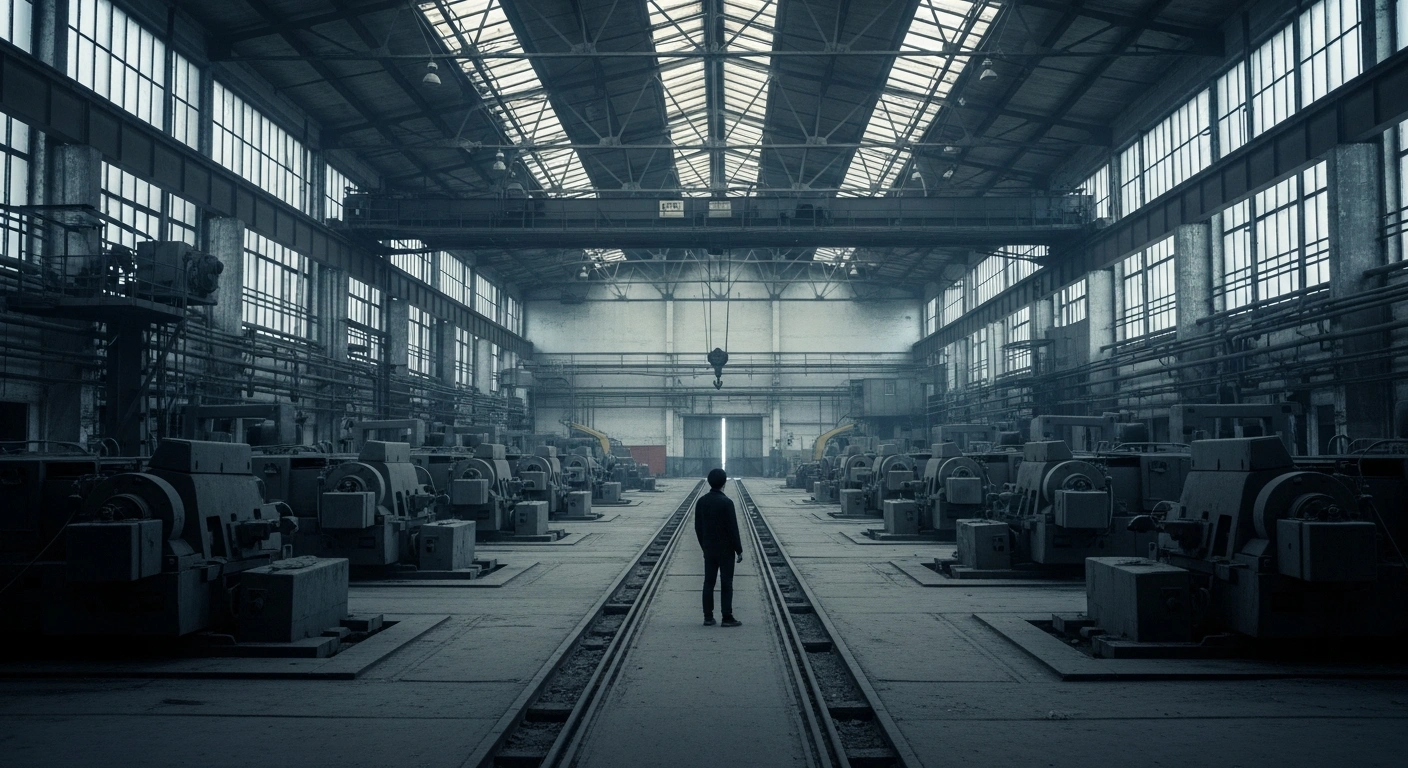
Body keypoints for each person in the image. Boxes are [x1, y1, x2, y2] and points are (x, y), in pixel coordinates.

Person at [694, 467, 743, 627]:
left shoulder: (701, 502)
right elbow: (732, 528)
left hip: (709, 548)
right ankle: (726, 617)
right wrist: (739, 550)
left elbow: (698, 527)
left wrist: (704, 546)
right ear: (724, 483)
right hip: (726, 550)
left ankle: (708, 617)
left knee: (708, 582)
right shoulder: (727, 503)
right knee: (726, 583)